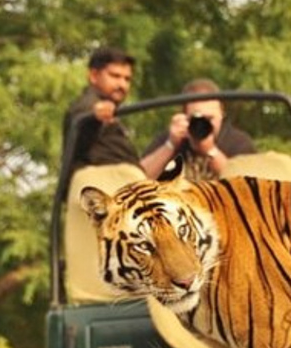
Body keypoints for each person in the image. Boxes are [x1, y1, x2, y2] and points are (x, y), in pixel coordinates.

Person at [63, 46, 148, 303]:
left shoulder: (113, 117)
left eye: (127, 78)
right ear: (93, 76)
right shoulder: (87, 109)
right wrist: (95, 116)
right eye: (115, 76)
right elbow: (79, 128)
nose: (122, 84)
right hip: (112, 205)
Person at [142, 78, 257, 181]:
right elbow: (138, 179)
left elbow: (247, 186)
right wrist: (170, 146)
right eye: (196, 118)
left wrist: (211, 151)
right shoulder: (173, 139)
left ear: (222, 113)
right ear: (184, 116)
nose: (203, 124)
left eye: (209, 118)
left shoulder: (238, 142)